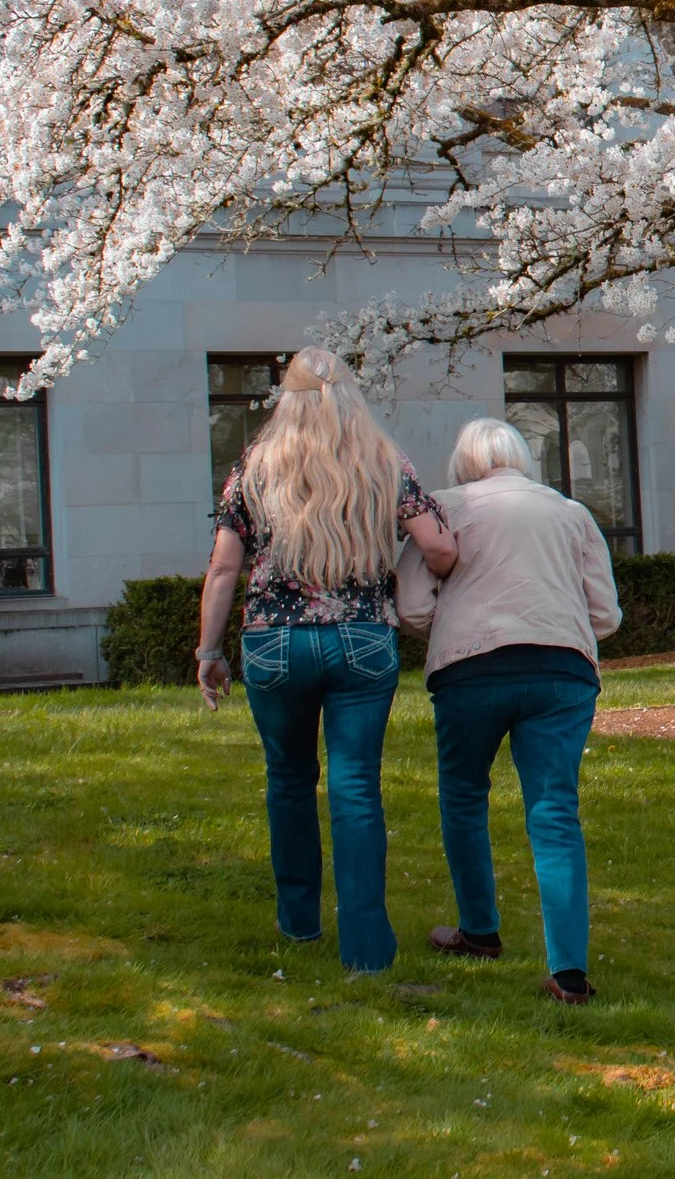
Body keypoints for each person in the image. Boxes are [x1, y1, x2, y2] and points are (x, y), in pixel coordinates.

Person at [195, 348, 455, 974]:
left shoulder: (253, 468)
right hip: (364, 641)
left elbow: (225, 567)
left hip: (274, 644)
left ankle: (298, 925)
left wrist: (209, 651)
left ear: (286, 402)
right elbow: (439, 549)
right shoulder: (385, 465)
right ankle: (366, 952)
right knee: (356, 786)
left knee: (288, 779)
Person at [398, 417, 619, 1004]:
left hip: (470, 669)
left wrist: (449, 626)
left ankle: (479, 930)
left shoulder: (440, 509)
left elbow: (413, 606)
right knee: (554, 813)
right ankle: (568, 972)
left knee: (465, 796)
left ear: (462, 462)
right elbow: (606, 614)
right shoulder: (571, 512)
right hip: (562, 672)